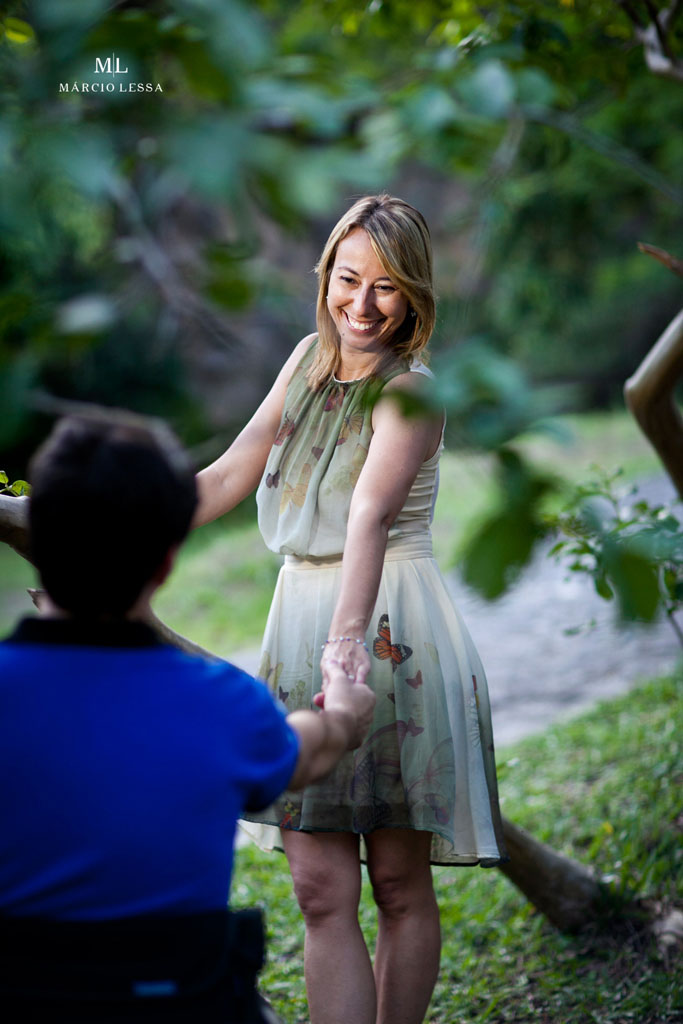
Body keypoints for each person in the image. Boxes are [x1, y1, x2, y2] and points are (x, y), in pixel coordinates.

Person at [194, 193, 508, 1024]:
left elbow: (368, 516)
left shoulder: (411, 392)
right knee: (315, 885)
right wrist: (106, 527)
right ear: (325, 274)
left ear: (414, 296)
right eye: (347, 279)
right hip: (299, 623)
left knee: (398, 884)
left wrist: (345, 661)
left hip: (388, 636)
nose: (361, 306)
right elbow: (227, 476)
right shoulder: (303, 361)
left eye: (386, 287)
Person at [0, 412, 375, 1018]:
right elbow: (307, 750)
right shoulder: (222, 703)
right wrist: (345, 712)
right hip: (179, 998)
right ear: (166, 563)